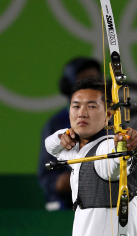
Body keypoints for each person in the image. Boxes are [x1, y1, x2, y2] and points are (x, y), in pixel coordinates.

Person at [45, 78, 137, 236]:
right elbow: (49, 145)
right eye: (76, 106)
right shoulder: (75, 148)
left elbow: (112, 164)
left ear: (108, 114)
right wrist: (62, 136)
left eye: (91, 106)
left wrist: (121, 148)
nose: (82, 113)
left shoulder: (106, 147)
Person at [37, 57, 102, 211]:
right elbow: (47, 176)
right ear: (69, 86)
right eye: (84, 80)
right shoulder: (55, 124)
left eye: (96, 79)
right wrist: (59, 183)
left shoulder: (114, 121)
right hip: (67, 207)